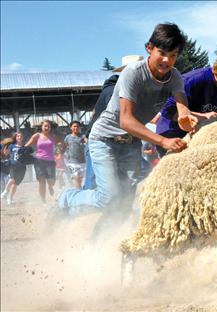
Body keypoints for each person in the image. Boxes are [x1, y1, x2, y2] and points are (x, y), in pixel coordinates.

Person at [56, 22, 198, 218]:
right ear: (149, 47)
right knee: (108, 197)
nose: (167, 60)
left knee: (124, 202)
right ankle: (67, 197)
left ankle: (109, 239)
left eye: (173, 55)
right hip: (104, 139)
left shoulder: (174, 77)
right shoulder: (132, 73)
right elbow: (126, 121)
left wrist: (185, 117)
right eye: (162, 53)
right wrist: (163, 141)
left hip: (131, 143)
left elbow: (182, 105)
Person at [155, 47, 217, 155]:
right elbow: (166, 110)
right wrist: (202, 117)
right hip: (171, 135)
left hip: (198, 139)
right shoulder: (195, 80)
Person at [82, 56, 144, 190]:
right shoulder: (113, 92)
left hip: (125, 143)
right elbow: (123, 119)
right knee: (95, 185)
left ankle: (122, 210)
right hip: (102, 142)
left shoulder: (138, 92)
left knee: (126, 184)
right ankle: (73, 204)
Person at [25, 120, 58, 204]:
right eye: (45, 126)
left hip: (50, 161)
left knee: (52, 181)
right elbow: (27, 145)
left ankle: (50, 186)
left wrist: (60, 150)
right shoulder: (37, 136)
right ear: (41, 127)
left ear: (51, 128)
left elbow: (59, 146)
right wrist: (22, 151)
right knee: (41, 181)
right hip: (39, 161)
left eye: (49, 126)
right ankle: (43, 201)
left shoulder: (53, 137)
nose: (47, 128)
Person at [0, 132, 29, 205]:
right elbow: (6, 152)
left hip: (22, 167)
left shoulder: (24, 146)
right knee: (12, 179)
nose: (19, 137)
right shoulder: (12, 146)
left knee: (15, 184)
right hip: (13, 165)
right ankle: (5, 192)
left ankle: (10, 198)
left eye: (21, 136)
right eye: (18, 136)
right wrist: (6, 156)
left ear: (22, 138)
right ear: (15, 138)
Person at [63, 121, 86, 189]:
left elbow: (87, 143)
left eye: (77, 126)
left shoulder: (82, 136)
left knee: (80, 179)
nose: (76, 128)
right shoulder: (68, 137)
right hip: (72, 162)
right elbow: (64, 147)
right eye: (74, 126)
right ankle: (78, 193)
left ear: (79, 128)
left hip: (82, 161)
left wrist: (85, 141)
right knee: (76, 177)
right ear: (71, 127)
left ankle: (78, 190)